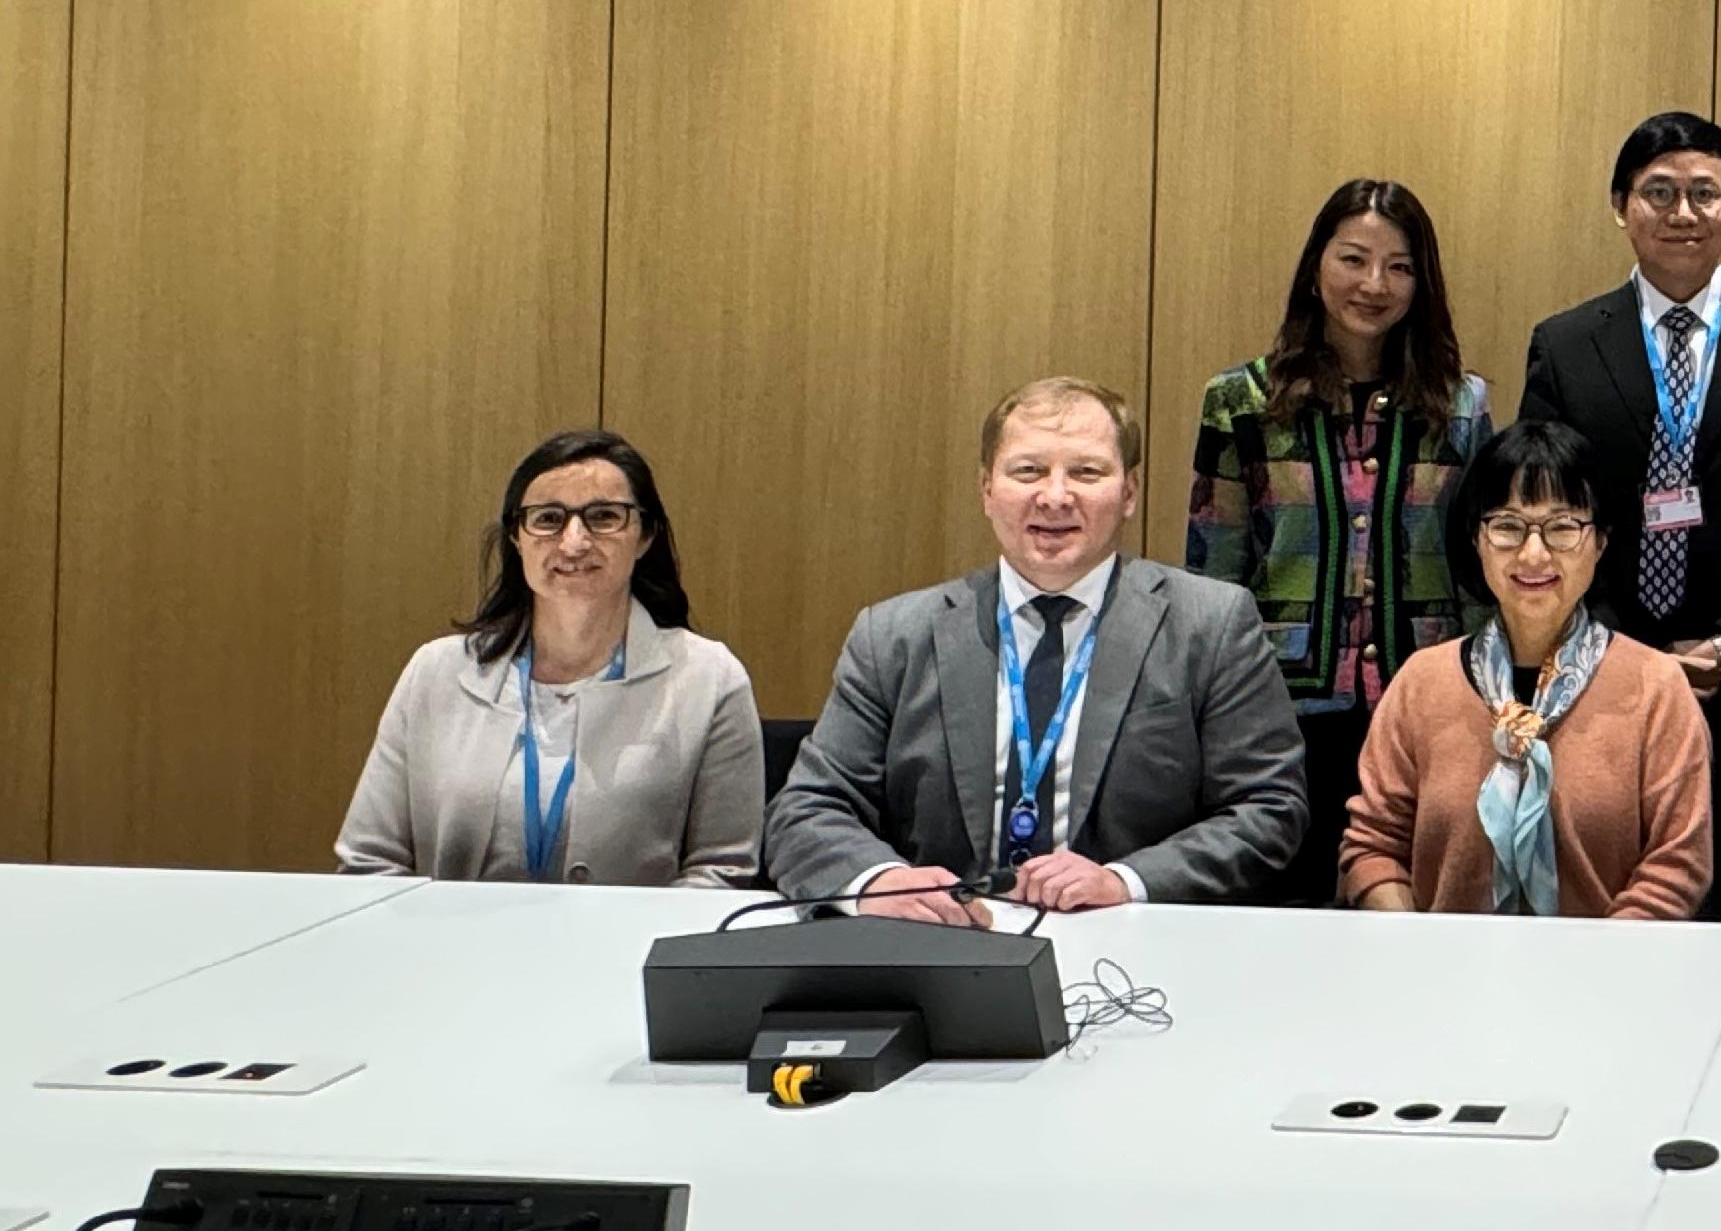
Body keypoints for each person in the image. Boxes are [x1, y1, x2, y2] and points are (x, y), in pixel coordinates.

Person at [762, 377, 1308, 915]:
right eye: (1028, 471)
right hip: (944, 948)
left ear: (1129, 493)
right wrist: (883, 883)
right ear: (986, 489)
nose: (1054, 497)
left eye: (1087, 472)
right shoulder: (894, 635)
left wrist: (1126, 881)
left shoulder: (1210, 626)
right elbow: (807, 809)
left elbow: (1268, 809)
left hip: (1134, 948)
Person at [1517, 112, 1721, 921]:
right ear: (1619, 205)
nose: (1683, 212)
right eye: (1658, 192)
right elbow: (1539, 516)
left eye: (1705, 193)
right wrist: (1606, 646)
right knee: (1603, 912)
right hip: (1595, 682)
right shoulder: (1564, 345)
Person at [1188, 179, 1491, 902]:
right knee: (1279, 915)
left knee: (1405, 916)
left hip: (1425, 706)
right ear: (1316, 266)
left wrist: (1489, 703)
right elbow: (1213, 570)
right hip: (1276, 713)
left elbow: (1481, 576)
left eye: (1400, 267)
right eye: (1354, 259)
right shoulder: (1241, 402)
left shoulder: (1460, 405)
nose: (1374, 285)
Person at [338, 430, 763, 884]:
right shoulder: (435, 673)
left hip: (627, 953)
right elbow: (369, 862)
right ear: (517, 539)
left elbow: (722, 873)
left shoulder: (710, 680)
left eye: (604, 517)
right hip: (452, 952)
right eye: (548, 519)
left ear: (645, 536)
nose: (574, 542)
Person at [1340, 422, 1712, 917]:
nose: (1533, 554)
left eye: (1562, 528)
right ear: (1476, 537)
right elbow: (1372, 847)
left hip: (1607, 982)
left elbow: (1677, 865)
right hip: (1445, 981)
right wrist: (1419, 950)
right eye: (1508, 527)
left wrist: (1583, 978)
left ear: (1600, 541)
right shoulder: (1421, 683)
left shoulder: (1656, 689)